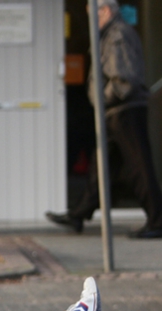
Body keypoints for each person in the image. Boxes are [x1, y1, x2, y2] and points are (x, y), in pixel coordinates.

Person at [46, 0, 162, 239]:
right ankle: (78, 214)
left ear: (106, 11)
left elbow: (124, 79)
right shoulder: (112, 33)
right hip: (117, 110)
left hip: (123, 110)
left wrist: (103, 98)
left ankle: (157, 220)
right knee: (103, 167)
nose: (90, 23)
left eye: (92, 16)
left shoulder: (117, 34)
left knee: (138, 166)